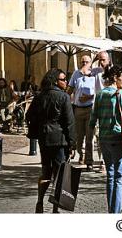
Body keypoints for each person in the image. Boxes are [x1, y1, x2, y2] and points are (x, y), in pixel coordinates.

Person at [26, 68, 76, 213]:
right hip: (59, 140)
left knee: (45, 172)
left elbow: (29, 116)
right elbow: (69, 122)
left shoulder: (39, 96)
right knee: (59, 175)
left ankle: (40, 201)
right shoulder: (63, 97)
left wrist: (38, 127)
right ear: (55, 81)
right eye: (63, 79)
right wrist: (72, 143)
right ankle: (55, 208)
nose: (66, 82)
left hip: (44, 138)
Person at [89, 65, 122, 214]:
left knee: (110, 175)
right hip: (117, 138)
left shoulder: (100, 94)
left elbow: (93, 118)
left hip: (104, 139)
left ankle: (111, 209)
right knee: (119, 177)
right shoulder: (120, 94)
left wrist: (92, 134)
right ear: (115, 78)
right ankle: (116, 212)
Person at [67, 55, 95, 171]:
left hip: (90, 109)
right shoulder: (76, 74)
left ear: (90, 63)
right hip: (78, 109)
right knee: (79, 137)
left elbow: (99, 92)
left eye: (86, 62)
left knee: (89, 136)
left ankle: (89, 161)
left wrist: (89, 96)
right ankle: (81, 154)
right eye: (82, 61)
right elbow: (70, 90)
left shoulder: (94, 75)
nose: (84, 63)